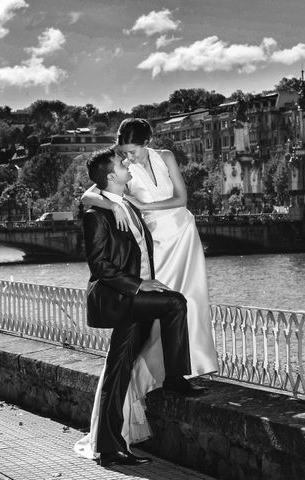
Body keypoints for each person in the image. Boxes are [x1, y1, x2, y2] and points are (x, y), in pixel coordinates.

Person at [77, 118, 217, 453]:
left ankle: (172, 377)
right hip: (132, 280)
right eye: (124, 155)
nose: (130, 161)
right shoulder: (111, 190)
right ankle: (112, 437)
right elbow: (99, 259)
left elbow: (180, 199)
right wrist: (139, 284)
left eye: (133, 152)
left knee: (177, 307)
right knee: (140, 337)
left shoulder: (152, 171)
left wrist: (136, 206)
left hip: (173, 242)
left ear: (148, 142)